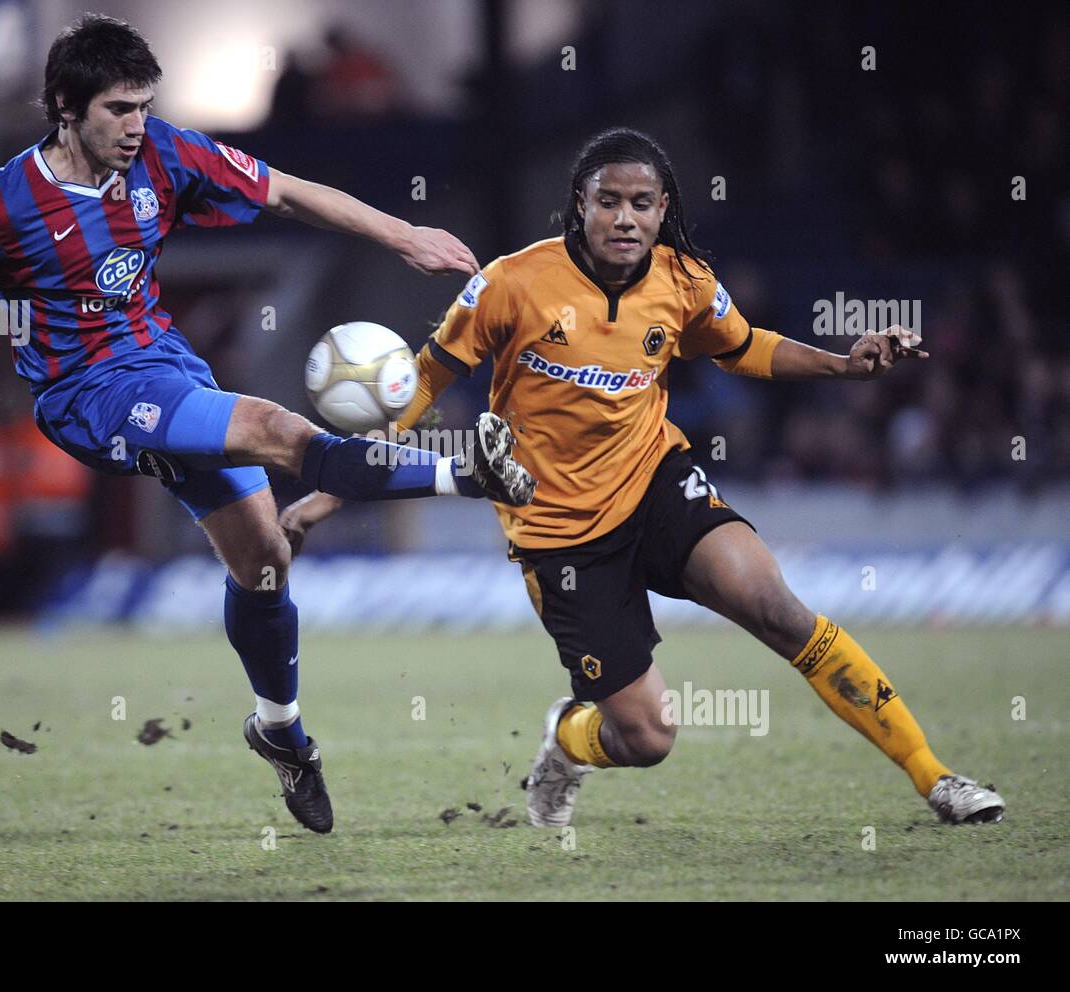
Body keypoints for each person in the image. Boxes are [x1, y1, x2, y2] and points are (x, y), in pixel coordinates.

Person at [0, 14, 535, 836]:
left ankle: (278, 731)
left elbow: (288, 191)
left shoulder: (165, 152)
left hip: (163, 363)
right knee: (274, 427)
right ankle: (467, 472)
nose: (135, 126)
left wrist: (401, 233)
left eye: (143, 107)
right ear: (65, 105)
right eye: (119, 109)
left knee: (264, 560)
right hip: (86, 395)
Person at [280, 126, 1006, 827]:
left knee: (781, 612)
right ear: (579, 205)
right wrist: (331, 491)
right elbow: (422, 389)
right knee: (649, 739)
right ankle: (568, 742)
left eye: (642, 204)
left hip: (656, 481)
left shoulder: (683, 281)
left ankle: (935, 777)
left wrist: (844, 363)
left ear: (664, 211)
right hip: (558, 535)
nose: (625, 218)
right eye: (608, 201)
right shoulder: (509, 285)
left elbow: (744, 346)